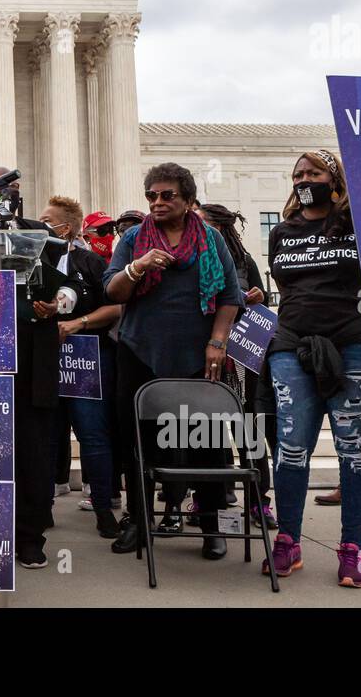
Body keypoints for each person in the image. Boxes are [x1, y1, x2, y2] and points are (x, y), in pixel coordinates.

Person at [264, 149, 361, 588]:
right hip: (292, 345)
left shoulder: (360, 226)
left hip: (356, 343)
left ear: (335, 179)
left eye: (314, 172)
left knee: (352, 444)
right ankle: (288, 539)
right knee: (290, 446)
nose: (305, 179)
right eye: (298, 174)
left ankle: (353, 548)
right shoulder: (282, 232)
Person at [104, 163, 245, 561]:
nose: (158, 202)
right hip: (139, 352)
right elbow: (113, 292)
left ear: (187, 200)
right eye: (152, 195)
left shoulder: (211, 239)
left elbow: (230, 296)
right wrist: (138, 266)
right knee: (138, 440)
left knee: (205, 442)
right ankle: (138, 519)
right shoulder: (133, 238)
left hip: (197, 357)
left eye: (168, 195)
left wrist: (218, 342)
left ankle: (212, 523)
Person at [0, 165, 66, 568]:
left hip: (32, 352)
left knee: (32, 448)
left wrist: (60, 303)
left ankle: (29, 535)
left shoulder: (43, 236)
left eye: (12, 186)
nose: (6, 193)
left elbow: (69, 283)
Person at [42, 196, 124, 540]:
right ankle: (39, 509)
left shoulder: (89, 262)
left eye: (48, 222)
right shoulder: (34, 261)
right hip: (46, 362)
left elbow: (117, 307)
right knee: (44, 438)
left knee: (92, 435)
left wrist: (78, 323)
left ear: (68, 228)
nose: (41, 226)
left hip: (88, 359)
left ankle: (104, 508)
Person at [199, 202, 277, 529]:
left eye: (203, 223)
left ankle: (259, 501)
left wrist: (257, 296)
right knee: (208, 432)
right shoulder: (194, 259)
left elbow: (266, 302)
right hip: (206, 356)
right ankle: (212, 499)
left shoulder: (244, 263)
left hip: (242, 359)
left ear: (220, 227)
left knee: (249, 429)